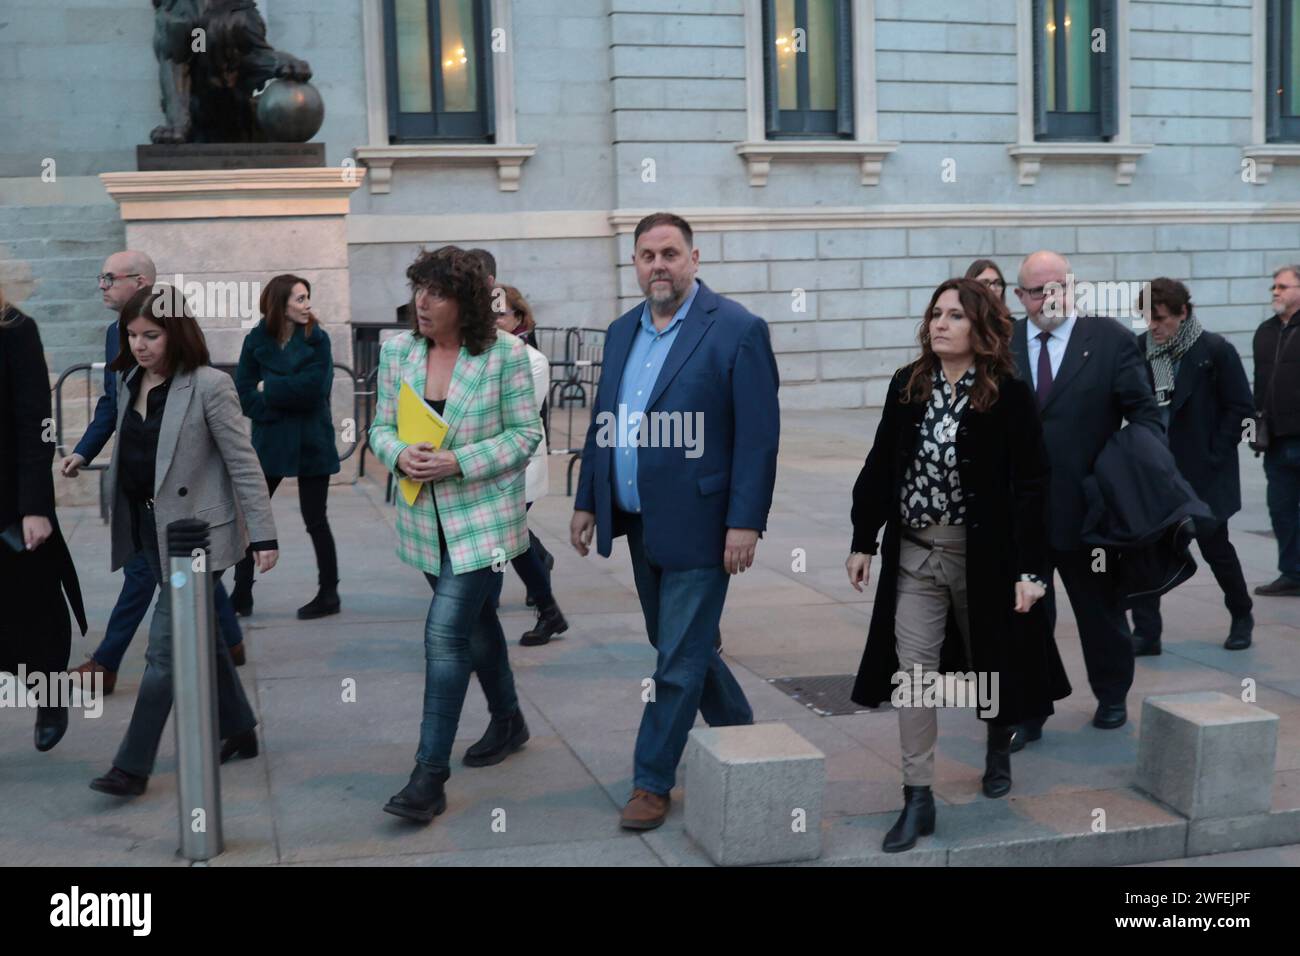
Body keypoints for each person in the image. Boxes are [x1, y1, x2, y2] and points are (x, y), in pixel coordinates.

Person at [571, 212, 781, 831]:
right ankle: (743, 738)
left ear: (693, 258)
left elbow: (758, 438)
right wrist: (589, 499)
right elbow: (602, 424)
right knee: (681, 645)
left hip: (704, 522)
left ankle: (651, 780)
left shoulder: (737, 329)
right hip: (638, 522)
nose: (657, 265)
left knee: (675, 660)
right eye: (646, 255)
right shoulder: (619, 332)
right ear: (634, 264)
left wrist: (745, 521)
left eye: (669, 253)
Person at [848, 278, 1069, 853]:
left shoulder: (1008, 393)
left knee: (987, 659)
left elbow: (1031, 485)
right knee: (914, 674)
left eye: (954, 315)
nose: (940, 324)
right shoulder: (909, 384)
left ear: (981, 327)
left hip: (984, 559)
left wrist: (1031, 570)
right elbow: (879, 465)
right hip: (916, 555)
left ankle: (998, 743)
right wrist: (862, 539)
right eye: (935, 314)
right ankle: (917, 796)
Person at [369, 247, 542, 823]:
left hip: (485, 523)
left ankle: (428, 776)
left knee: (444, 636)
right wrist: (400, 454)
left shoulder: (505, 355)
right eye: (418, 288)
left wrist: (457, 461)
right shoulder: (398, 351)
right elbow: (378, 428)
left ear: (463, 302)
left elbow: (524, 435)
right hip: (424, 520)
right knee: (477, 626)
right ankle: (510, 719)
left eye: (436, 292)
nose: (421, 302)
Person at [89, 287, 277, 798]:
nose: (141, 345)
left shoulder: (210, 385)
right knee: (207, 638)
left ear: (177, 332)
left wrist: (263, 533)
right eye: (132, 335)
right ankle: (238, 728)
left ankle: (132, 766)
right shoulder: (128, 380)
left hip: (196, 536)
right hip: (147, 531)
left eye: (151, 334)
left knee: (164, 652)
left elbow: (243, 462)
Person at [62, 251, 246, 693]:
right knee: (182, 569)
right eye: (101, 277)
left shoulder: (180, 344)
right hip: (138, 485)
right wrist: (85, 452)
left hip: (178, 491)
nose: (102, 285)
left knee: (147, 574)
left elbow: (241, 459)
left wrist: (260, 534)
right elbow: (114, 401)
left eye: (109, 277)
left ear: (140, 281)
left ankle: (106, 664)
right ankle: (232, 644)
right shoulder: (114, 335)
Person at [1009, 251, 1162, 738]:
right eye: (1037, 290)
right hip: (1023, 514)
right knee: (1027, 615)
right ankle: (1030, 711)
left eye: (1057, 286)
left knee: (1100, 611)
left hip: (1090, 511)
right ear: (1020, 298)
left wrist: (1122, 474)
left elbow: (1145, 415)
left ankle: (1112, 695)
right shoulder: (1003, 344)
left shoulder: (1110, 339)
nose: (1048, 297)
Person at [1131, 279, 1255, 652]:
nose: (1153, 326)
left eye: (1161, 318)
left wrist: (1214, 453)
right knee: (1145, 550)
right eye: (1147, 319)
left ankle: (1241, 614)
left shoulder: (1214, 350)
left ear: (1183, 313)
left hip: (1203, 472)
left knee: (1215, 547)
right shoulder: (1142, 349)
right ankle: (1147, 632)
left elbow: (1241, 409)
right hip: (1158, 471)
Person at [0, 289, 87, 752]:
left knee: (31, 610)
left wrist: (34, 506)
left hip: (8, 503)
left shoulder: (14, 329)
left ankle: (50, 695)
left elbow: (35, 423)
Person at [232, 274, 341, 619]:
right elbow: (245, 393)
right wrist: (273, 399)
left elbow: (315, 389)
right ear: (280, 304)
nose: (307, 304)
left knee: (316, 519)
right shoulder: (256, 340)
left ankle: (329, 593)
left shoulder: (318, 339)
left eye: (308, 297)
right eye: (299, 299)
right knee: (250, 517)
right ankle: (241, 593)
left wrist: (271, 388)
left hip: (313, 441)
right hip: (271, 440)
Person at [491, 285, 566, 645]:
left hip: (518, 464)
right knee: (511, 537)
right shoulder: (479, 355)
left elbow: (516, 416)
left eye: (501, 313)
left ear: (519, 318)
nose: (494, 320)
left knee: (507, 537)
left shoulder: (532, 361)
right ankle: (548, 609)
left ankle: (544, 611)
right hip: (490, 465)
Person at [1252, 264, 1300, 596]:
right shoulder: (1265, 331)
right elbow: (1258, 387)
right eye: (1274, 287)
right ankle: (1292, 574)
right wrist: (1251, 432)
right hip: (1275, 439)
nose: (1276, 292)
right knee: (1281, 510)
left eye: (1283, 286)